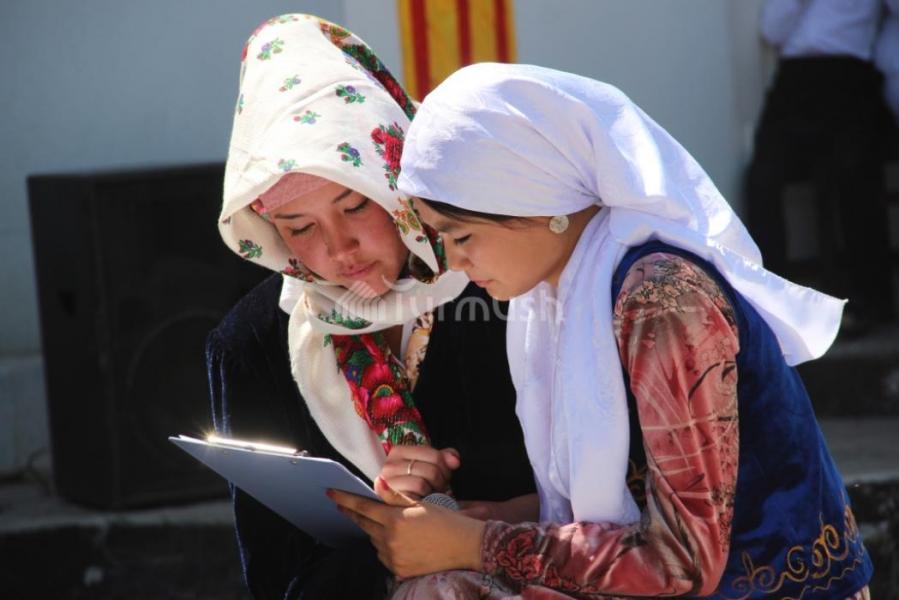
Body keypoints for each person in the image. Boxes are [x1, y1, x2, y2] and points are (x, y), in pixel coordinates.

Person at [330, 63, 873, 599]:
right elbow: (629, 493)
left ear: (534, 200)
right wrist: (489, 521)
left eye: (462, 235)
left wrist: (480, 544)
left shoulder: (662, 301)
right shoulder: (556, 295)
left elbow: (682, 562)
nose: (453, 262)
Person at [209, 18, 535, 599]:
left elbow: (627, 493)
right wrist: (386, 542)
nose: (340, 250)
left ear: (397, 180)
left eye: (356, 204)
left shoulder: (502, 283)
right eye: (300, 227)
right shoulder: (253, 343)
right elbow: (276, 575)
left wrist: (476, 526)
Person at [745, 0, 894, 329]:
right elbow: (772, 29)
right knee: (762, 178)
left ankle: (871, 301)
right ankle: (771, 304)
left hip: (852, 74)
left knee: (856, 175)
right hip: (796, 80)